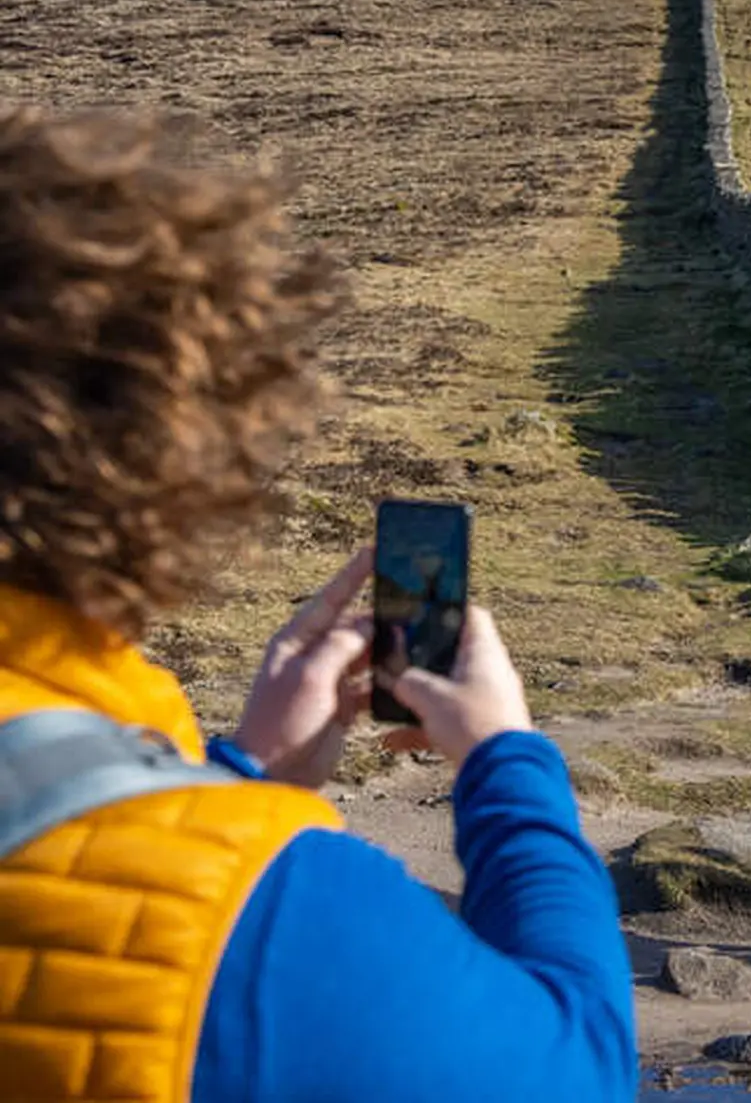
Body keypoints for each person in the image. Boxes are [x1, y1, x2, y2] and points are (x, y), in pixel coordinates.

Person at [0, 105, 635, 1101]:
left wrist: (249, 771)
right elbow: (578, 1070)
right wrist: (508, 766)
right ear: (159, 462)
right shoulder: (264, 916)